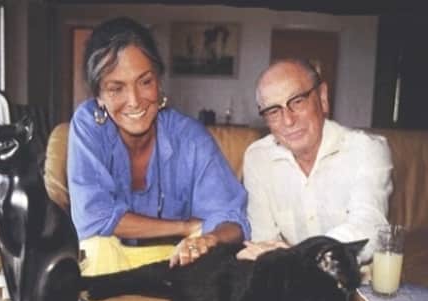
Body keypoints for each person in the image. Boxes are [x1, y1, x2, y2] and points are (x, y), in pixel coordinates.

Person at [67, 17, 249, 276]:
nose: (134, 101)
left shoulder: (191, 139)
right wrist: (185, 227)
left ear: (159, 81)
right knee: (95, 248)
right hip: (111, 265)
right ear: (98, 96)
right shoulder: (89, 125)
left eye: (145, 82)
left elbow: (233, 220)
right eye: (116, 88)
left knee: (212, 251)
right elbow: (94, 218)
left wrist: (207, 238)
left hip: (178, 263)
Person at [239, 57, 392, 263]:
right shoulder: (257, 158)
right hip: (288, 277)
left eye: (297, 101)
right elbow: (263, 240)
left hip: (351, 278)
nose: (288, 120)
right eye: (274, 111)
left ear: (322, 97)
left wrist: (299, 257)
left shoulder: (367, 150)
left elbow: (368, 228)